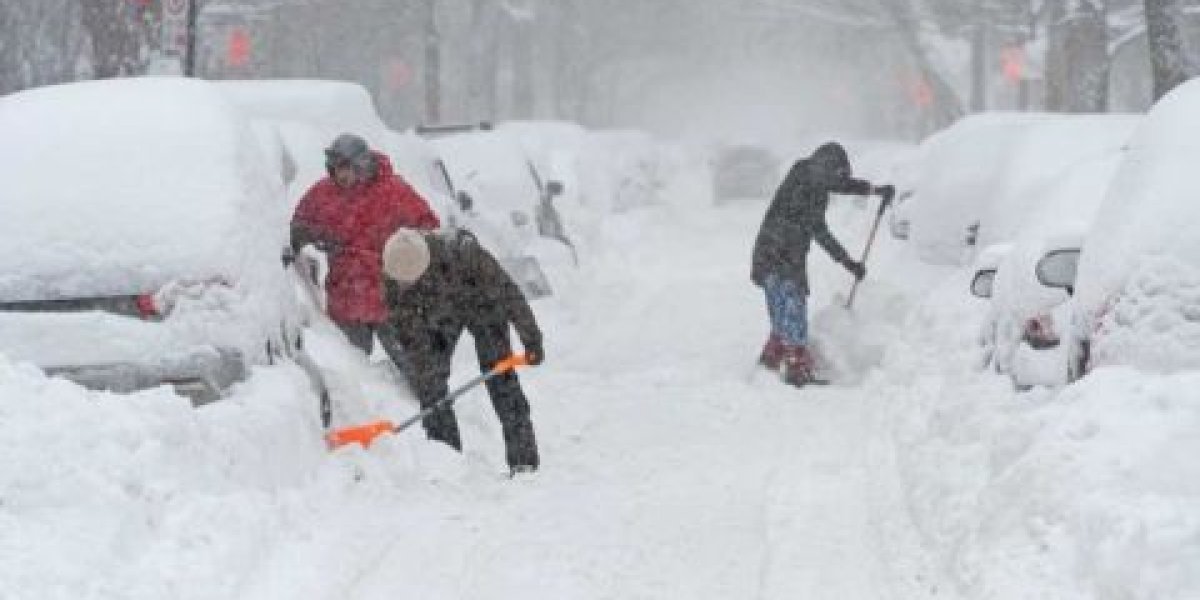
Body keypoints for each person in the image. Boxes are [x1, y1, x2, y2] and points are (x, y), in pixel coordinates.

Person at [379, 227, 544, 475]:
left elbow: (509, 294)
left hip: (484, 305)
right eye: (400, 282)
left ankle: (523, 460)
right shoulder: (394, 276)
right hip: (440, 314)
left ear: (424, 267)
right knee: (431, 387)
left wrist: (531, 339)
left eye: (409, 281)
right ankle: (445, 460)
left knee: (501, 377)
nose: (403, 286)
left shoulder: (466, 254)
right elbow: (406, 329)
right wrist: (426, 372)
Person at [750, 141, 894, 386]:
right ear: (826, 169)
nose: (836, 180)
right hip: (781, 254)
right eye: (836, 174)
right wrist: (848, 262)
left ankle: (772, 357)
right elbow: (820, 231)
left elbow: (839, 184)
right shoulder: (804, 186)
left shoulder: (808, 173)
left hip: (769, 253)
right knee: (793, 308)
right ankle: (796, 367)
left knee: (781, 308)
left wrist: (873, 190)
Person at [289, 133, 441, 355]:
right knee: (352, 369)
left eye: (346, 167)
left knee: (413, 367)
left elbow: (428, 228)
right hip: (346, 303)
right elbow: (297, 228)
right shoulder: (322, 194)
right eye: (336, 168)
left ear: (361, 165)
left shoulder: (393, 191)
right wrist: (310, 237)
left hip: (393, 301)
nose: (341, 175)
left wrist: (404, 249)